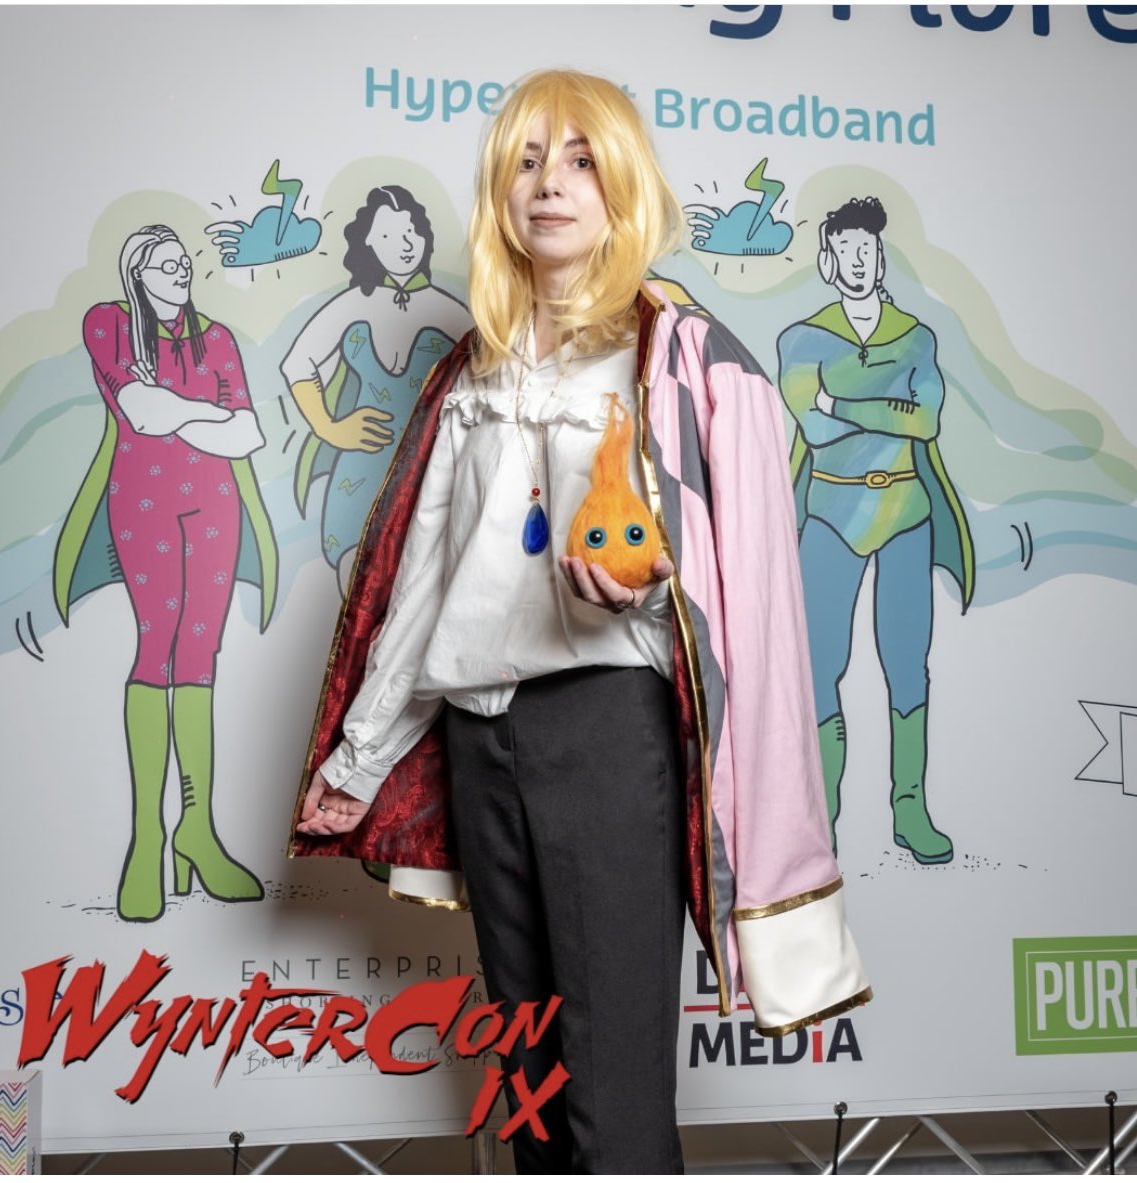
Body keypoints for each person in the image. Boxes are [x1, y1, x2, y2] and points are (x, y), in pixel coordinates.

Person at [289, 72, 870, 1173]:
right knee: (533, 1089)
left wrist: (645, 584)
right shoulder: (473, 370)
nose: (548, 183)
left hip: (606, 732)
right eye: (526, 161)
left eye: (579, 159)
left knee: (611, 1094)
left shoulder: (677, 355)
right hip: (479, 738)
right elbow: (423, 585)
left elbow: (734, 586)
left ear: (624, 186)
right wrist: (360, 757)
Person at [55, 224, 277, 922]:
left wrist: (181, 413)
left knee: (200, 657)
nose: (179, 271)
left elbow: (247, 433)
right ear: (137, 272)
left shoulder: (216, 338)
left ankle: (196, 830)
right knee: (157, 647)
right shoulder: (109, 325)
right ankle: (148, 839)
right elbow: (141, 414)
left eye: (183, 262)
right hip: (144, 502)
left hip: (214, 506)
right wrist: (204, 415)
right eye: (163, 263)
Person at [777, 197, 973, 864]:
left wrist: (842, 401)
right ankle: (822, 815)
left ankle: (910, 809)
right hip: (830, 515)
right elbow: (814, 428)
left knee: (907, 661)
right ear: (828, 261)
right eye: (847, 251)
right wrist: (884, 408)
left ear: (880, 256)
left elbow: (926, 422)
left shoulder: (917, 338)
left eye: (868, 249)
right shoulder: (801, 340)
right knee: (818, 665)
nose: (859, 261)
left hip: (905, 515)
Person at [281, 186, 469, 593]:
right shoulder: (354, 304)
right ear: (367, 242)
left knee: (420, 598)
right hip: (358, 474)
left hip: (432, 477)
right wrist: (331, 428)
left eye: (411, 231)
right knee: (355, 596)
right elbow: (296, 364)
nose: (405, 244)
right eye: (388, 234)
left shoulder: (450, 310)